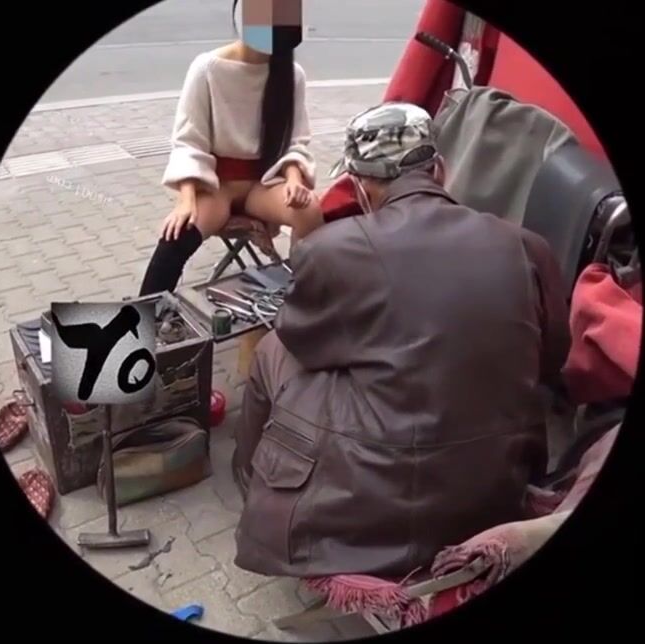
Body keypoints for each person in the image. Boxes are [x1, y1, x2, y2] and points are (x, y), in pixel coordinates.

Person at [232, 102, 571, 579]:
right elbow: (554, 359)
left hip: (370, 513)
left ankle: (251, 482)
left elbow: (306, 345)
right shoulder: (527, 245)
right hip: (498, 489)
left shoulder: (333, 248)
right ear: (440, 169)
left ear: (361, 186)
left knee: (272, 348)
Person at [138, 0, 319, 296]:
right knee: (177, 235)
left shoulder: (292, 74)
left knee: (309, 211)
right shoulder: (207, 68)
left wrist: (295, 180)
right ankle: (142, 317)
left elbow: (295, 140)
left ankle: (304, 299)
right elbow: (188, 141)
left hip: (264, 183)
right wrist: (186, 199)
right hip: (217, 186)